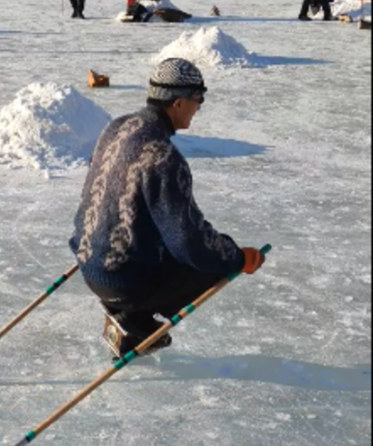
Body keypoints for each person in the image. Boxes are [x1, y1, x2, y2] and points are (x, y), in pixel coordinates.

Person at [69, 58, 266, 358]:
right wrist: (237, 257)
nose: (198, 107)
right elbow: (191, 243)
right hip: (124, 281)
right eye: (197, 99)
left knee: (158, 231)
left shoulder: (116, 126)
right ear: (177, 103)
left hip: (87, 260)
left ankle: (126, 312)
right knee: (212, 266)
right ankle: (133, 319)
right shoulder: (163, 157)